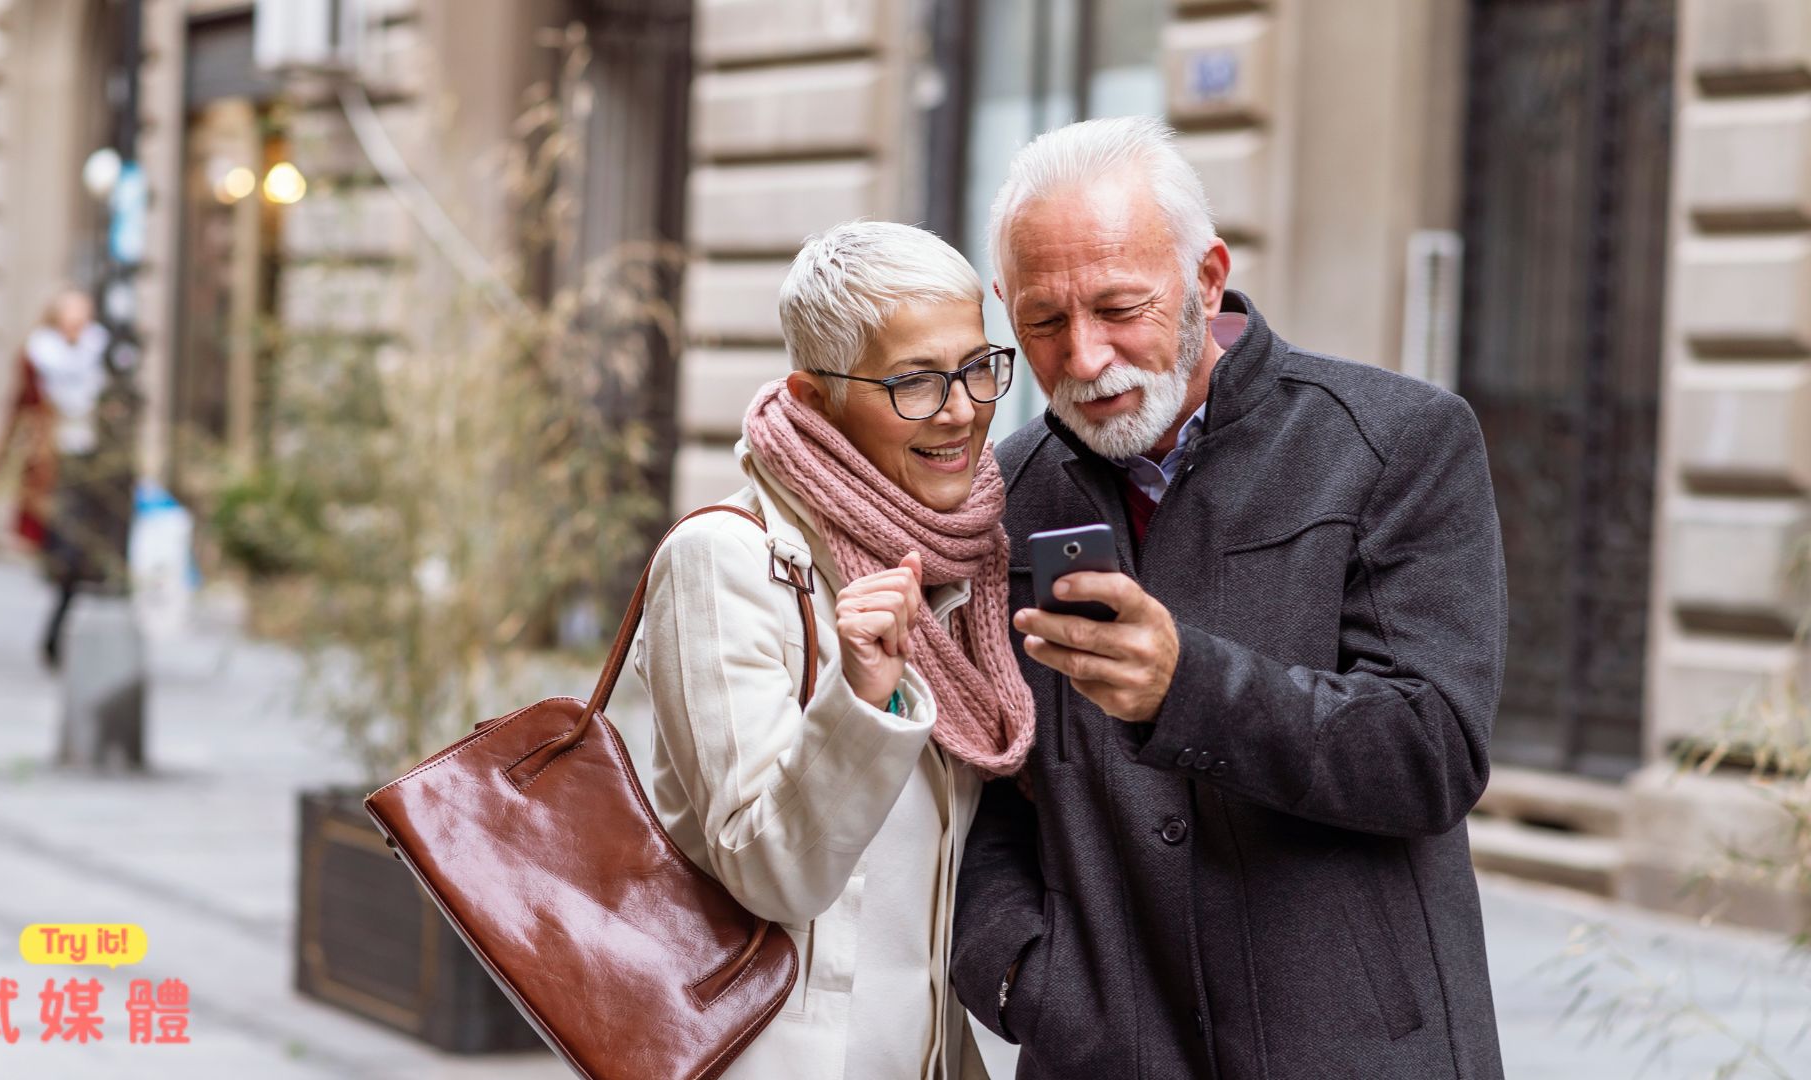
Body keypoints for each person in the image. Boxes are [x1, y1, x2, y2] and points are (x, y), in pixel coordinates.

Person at [950, 116, 1508, 1079]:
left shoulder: (1398, 442)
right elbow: (985, 788)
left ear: (1206, 280)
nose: (1084, 360)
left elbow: (1432, 751)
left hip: (1357, 1053)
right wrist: (1015, 977)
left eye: (1120, 308)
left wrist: (1187, 688)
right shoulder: (998, 501)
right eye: (1043, 322)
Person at [633, 220, 1032, 1079]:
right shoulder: (726, 560)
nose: (962, 409)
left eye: (975, 367)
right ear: (816, 401)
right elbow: (766, 869)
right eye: (915, 382)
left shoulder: (965, 556)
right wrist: (860, 698)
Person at [0, 289, 116, 668]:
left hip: (93, 466)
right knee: (64, 549)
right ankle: (57, 627)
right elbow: (19, 407)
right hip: (52, 465)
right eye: (72, 314)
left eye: (84, 314)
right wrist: (2, 456)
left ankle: (59, 628)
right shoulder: (39, 355)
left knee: (78, 553)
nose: (79, 322)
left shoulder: (101, 353)